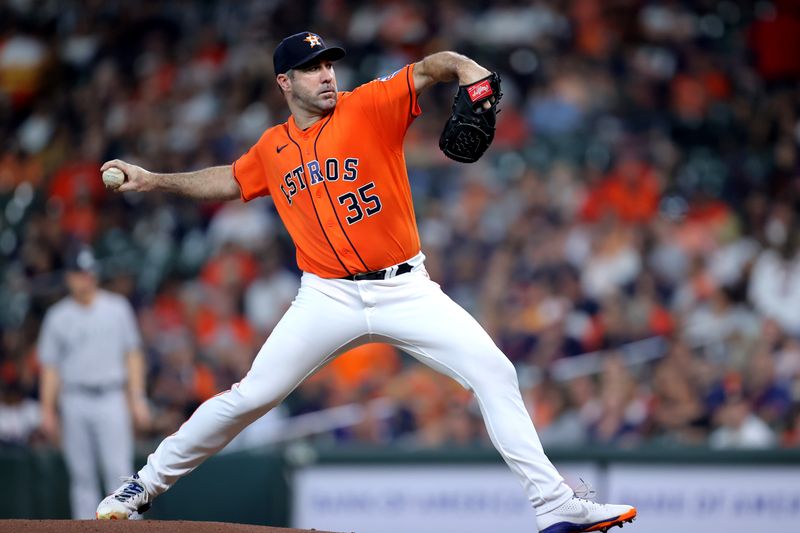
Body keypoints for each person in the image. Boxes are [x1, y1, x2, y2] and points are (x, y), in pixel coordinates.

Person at [95, 31, 636, 532]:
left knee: (495, 371)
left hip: (406, 288)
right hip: (326, 295)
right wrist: (154, 179)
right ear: (285, 82)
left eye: (329, 64)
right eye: (311, 68)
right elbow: (230, 180)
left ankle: (554, 506)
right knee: (250, 396)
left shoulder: (370, 104)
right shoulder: (272, 147)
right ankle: (143, 485)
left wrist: (470, 70)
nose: (327, 75)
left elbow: (432, 67)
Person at [38, 245, 150, 519]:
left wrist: (137, 397)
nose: (85, 278)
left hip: (111, 397)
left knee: (120, 473)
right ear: (69, 277)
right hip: (74, 398)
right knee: (82, 477)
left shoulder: (116, 308)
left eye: (88, 273)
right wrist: (47, 410)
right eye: (79, 273)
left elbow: (133, 356)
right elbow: (50, 368)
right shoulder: (57, 316)